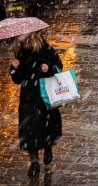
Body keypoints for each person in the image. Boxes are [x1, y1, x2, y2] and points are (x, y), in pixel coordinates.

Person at [10, 32, 63, 177]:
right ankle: (34, 162)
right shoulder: (19, 52)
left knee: (47, 127)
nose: (25, 44)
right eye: (22, 41)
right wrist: (15, 68)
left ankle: (48, 148)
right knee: (29, 130)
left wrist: (49, 68)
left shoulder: (45, 48)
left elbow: (59, 66)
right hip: (28, 98)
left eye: (27, 41)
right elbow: (17, 79)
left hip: (45, 96)